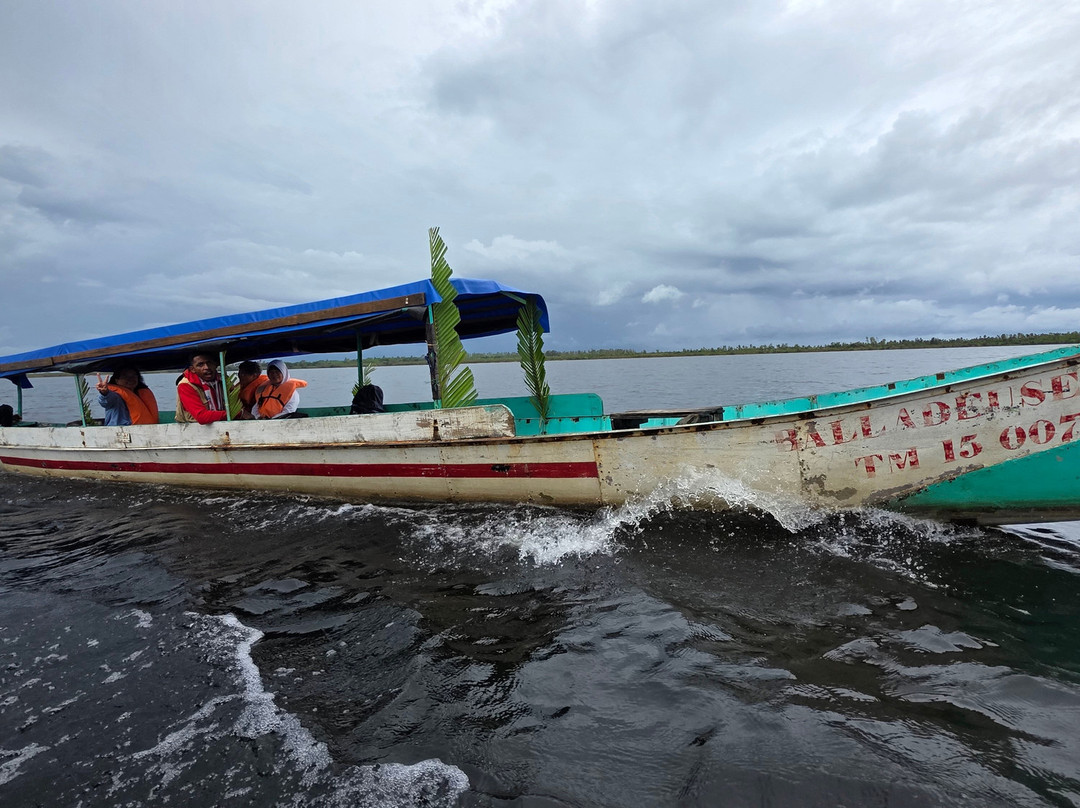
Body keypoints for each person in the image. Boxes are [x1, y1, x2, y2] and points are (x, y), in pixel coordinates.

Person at [176, 353, 227, 424]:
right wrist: (233, 414)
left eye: (209, 363)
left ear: (215, 365)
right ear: (193, 369)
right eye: (200, 365)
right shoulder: (186, 385)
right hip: (193, 428)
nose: (207, 367)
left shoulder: (223, 380)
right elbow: (202, 417)